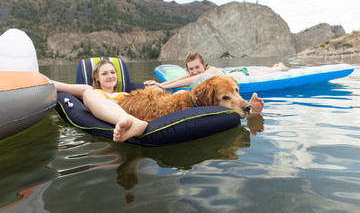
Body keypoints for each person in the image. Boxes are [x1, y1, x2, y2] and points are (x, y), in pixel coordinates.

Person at [144, 52, 289, 114]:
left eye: (197, 67)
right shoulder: (193, 73)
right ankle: (276, 66)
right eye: (191, 69)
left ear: (204, 65)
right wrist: (159, 84)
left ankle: (278, 67)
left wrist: (162, 87)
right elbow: (179, 79)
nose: (195, 71)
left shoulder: (209, 71)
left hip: (241, 73)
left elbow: (194, 80)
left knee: (262, 73)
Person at [53, 60, 148, 143]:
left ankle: (133, 124)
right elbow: (61, 86)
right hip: (111, 118)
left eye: (113, 72)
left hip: (133, 115)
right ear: (96, 77)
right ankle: (127, 122)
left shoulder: (125, 94)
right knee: (89, 92)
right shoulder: (92, 91)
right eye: (104, 73)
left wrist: (157, 84)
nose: (110, 76)